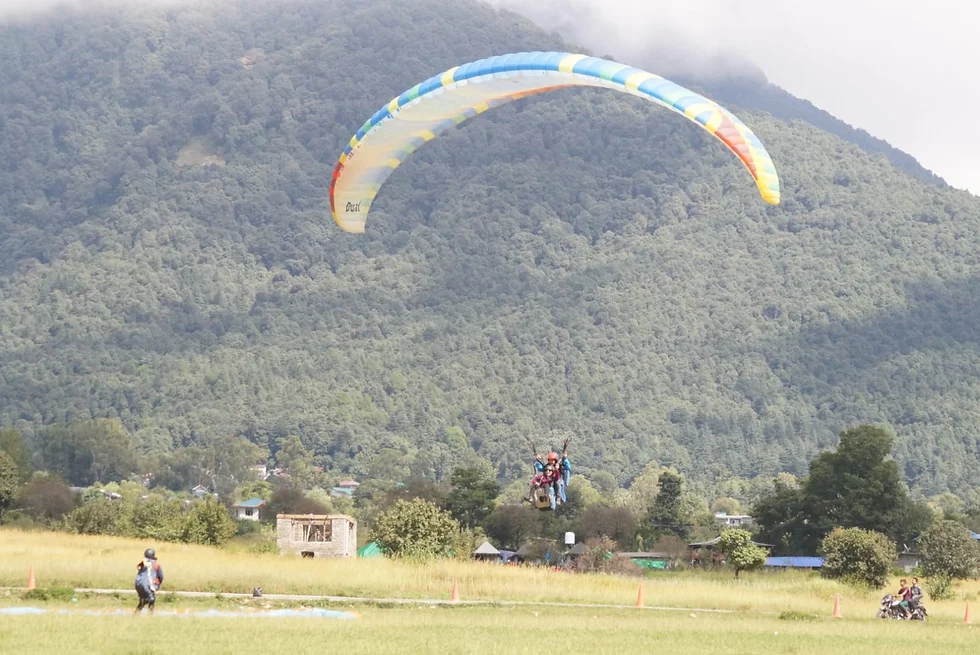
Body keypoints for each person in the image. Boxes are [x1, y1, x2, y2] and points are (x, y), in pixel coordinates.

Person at [134, 548, 164, 615]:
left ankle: (135, 615)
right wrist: (157, 585)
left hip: (138, 584)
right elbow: (161, 576)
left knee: (143, 600)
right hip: (147, 584)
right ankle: (150, 616)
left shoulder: (142, 562)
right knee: (151, 599)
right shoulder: (156, 564)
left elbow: (140, 568)